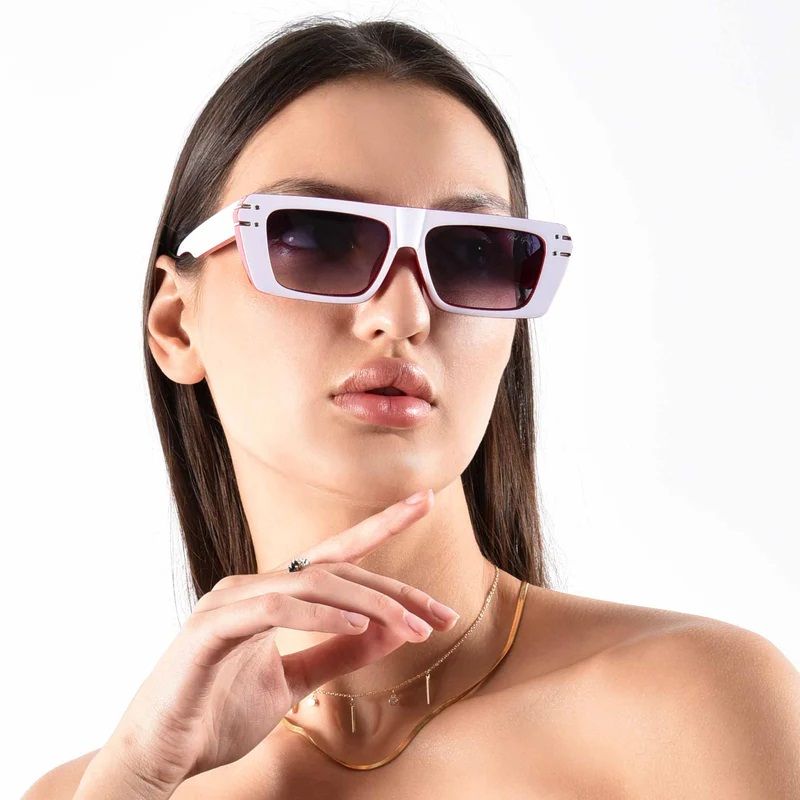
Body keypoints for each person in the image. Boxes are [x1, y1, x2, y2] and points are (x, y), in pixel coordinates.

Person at [24, 14, 799, 800]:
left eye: (472, 253)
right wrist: (134, 780)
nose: (403, 315)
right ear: (175, 323)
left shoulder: (695, 704)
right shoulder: (97, 788)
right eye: (317, 239)